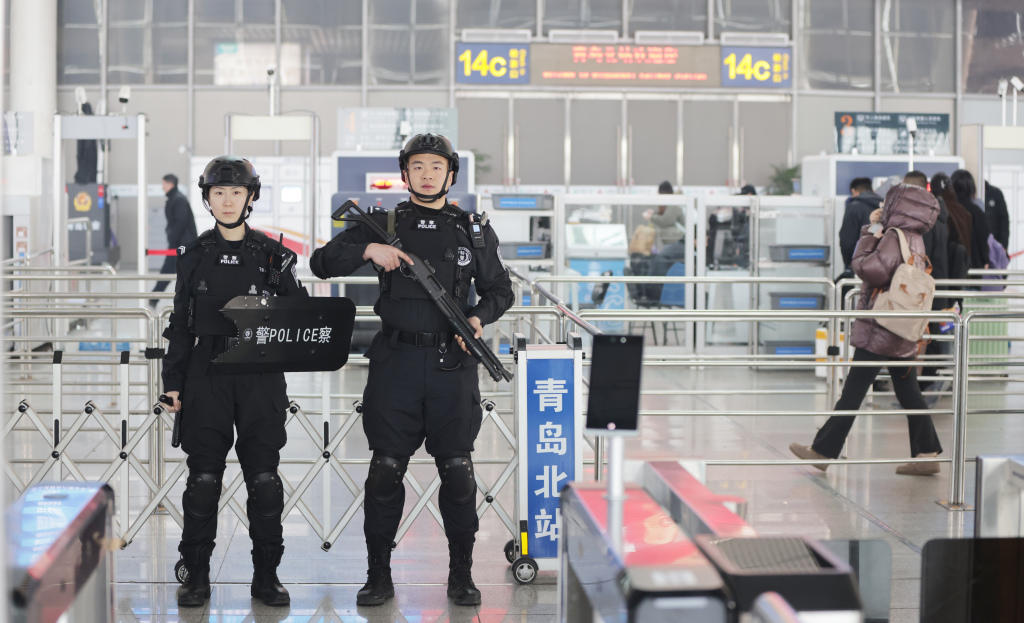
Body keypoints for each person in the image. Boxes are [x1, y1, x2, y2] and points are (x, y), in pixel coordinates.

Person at [309, 133, 514, 607]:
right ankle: (378, 575)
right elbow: (321, 263)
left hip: (452, 367)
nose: (426, 174)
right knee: (385, 473)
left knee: (458, 473)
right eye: (417, 166)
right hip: (395, 364)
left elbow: (501, 290)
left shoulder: (472, 230)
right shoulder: (383, 224)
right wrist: (367, 250)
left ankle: (460, 575)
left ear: (450, 175)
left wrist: (478, 318)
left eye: (436, 167)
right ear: (405, 174)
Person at [161, 156, 307, 608]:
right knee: (203, 479)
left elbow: (299, 316)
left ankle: (267, 576)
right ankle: (196, 576)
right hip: (207, 375)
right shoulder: (193, 256)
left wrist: (286, 296)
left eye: (236, 192)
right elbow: (180, 324)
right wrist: (173, 382)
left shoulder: (274, 255)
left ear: (250, 197)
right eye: (218, 193)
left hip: (260, 376)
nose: (227, 201)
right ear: (207, 198)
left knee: (263, 480)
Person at [790, 182, 944, 476]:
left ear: (898, 206)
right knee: (909, 393)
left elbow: (867, 268)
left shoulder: (892, 236)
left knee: (853, 392)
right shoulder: (915, 237)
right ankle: (927, 454)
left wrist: (870, 233)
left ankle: (823, 451)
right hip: (902, 327)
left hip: (880, 329)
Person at [151, 173, 198, 306]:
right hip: (180, 243)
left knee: (176, 272)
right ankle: (154, 298)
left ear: (170, 184)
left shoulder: (178, 199)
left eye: (163, 184)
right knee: (176, 272)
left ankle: (153, 298)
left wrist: (172, 238)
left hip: (183, 245)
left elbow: (180, 222)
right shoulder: (175, 198)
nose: (162, 187)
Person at [838, 177, 883, 276]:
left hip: (859, 264)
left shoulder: (854, 207)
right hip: (881, 264)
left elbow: (847, 241)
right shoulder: (883, 207)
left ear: (853, 191)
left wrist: (849, 264)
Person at [951, 169, 991, 270]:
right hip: (974, 266)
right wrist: (986, 259)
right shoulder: (977, 212)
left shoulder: (947, 210)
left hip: (951, 268)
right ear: (971, 188)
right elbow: (983, 239)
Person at [643, 180, 685, 250]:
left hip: (679, 242)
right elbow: (664, 216)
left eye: (659, 192)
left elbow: (665, 220)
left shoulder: (674, 204)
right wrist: (654, 213)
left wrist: (651, 217)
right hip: (673, 243)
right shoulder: (669, 204)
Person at [984, 180, 1009, 251]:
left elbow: (1004, 220)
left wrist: (1004, 245)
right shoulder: (970, 194)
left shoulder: (995, 193)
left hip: (995, 243)